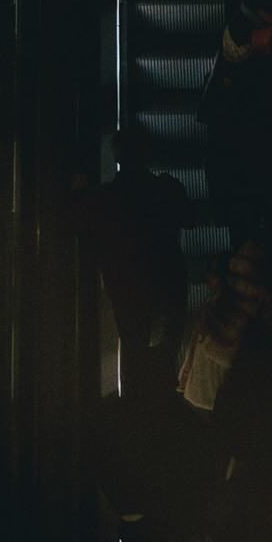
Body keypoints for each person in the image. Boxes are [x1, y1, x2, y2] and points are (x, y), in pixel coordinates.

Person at [65, 129, 191, 395]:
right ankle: (164, 398)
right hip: (169, 282)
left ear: (117, 156)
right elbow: (192, 219)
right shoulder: (166, 188)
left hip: (126, 288)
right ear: (147, 152)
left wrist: (77, 193)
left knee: (133, 349)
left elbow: (71, 222)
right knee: (167, 350)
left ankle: (135, 406)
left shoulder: (102, 198)